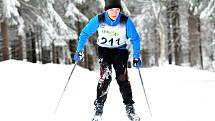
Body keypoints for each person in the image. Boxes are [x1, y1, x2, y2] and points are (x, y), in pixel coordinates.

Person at [73, 0, 142, 120]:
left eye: (117, 10)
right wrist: (79, 50)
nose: (114, 12)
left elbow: (135, 38)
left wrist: (136, 56)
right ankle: (99, 107)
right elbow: (84, 33)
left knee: (122, 78)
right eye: (111, 10)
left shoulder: (125, 21)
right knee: (105, 76)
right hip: (104, 51)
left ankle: (130, 107)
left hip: (120, 51)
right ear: (106, 10)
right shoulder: (99, 19)